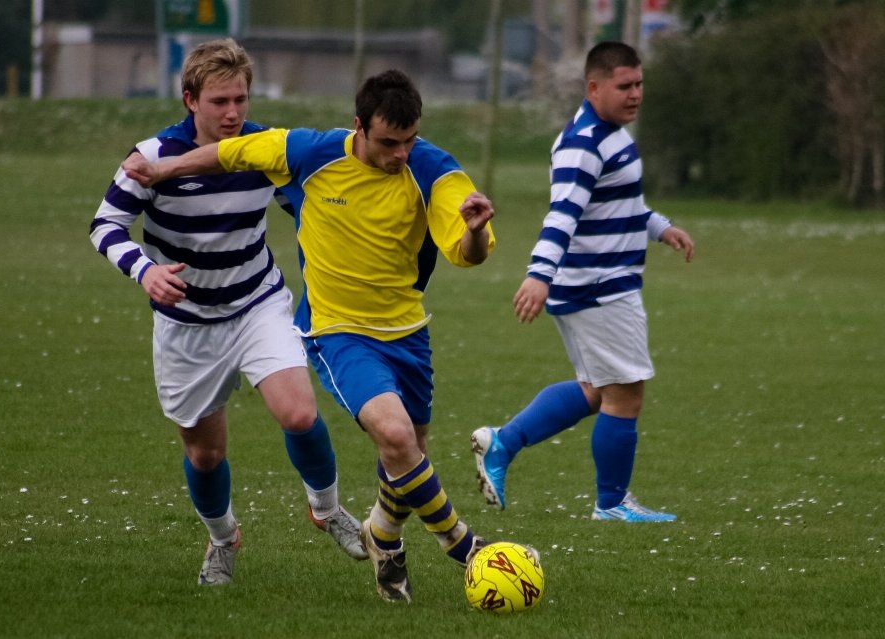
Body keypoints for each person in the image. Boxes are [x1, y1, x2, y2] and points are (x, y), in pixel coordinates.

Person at [121, 70, 499, 602]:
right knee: (394, 437)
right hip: (337, 331)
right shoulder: (311, 153)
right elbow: (233, 153)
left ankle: (383, 536)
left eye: (409, 140)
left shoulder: (434, 171)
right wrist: (161, 169)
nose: (400, 153)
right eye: (388, 142)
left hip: (408, 332)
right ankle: (467, 549)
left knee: (409, 455)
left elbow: (467, 253)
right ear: (358, 127)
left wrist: (478, 228)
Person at [89, 39, 366, 586]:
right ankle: (223, 541)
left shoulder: (264, 148)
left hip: (258, 304)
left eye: (240, 98)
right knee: (205, 453)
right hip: (187, 325)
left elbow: (309, 203)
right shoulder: (153, 156)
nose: (233, 112)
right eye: (220, 101)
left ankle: (328, 509)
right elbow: (104, 226)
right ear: (190, 99)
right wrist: (146, 271)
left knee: (300, 414)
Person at [471, 42, 694, 522]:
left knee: (597, 389)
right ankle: (611, 504)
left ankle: (502, 443)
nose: (636, 94)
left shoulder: (611, 135)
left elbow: (618, 206)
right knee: (626, 392)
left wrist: (660, 228)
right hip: (600, 288)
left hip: (597, 285)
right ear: (594, 87)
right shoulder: (584, 144)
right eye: (624, 86)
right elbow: (563, 216)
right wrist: (537, 275)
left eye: (639, 84)